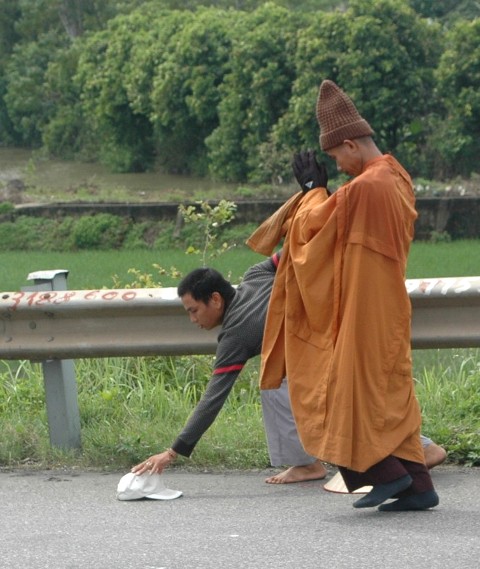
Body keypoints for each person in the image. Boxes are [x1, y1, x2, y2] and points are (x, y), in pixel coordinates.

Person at [247, 79, 439, 511]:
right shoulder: (397, 176)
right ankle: (419, 486)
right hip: (388, 306)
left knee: (341, 391)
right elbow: (343, 223)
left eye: (336, 157)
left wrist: (313, 190)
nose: (338, 165)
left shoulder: (366, 187)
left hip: (362, 310)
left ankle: (384, 475)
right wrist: (323, 194)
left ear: (350, 144)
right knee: (388, 397)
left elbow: (313, 229)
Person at [131, 254, 445, 484]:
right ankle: (421, 448)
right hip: (353, 328)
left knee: (276, 383)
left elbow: (212, 399)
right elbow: (299, 248)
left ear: (215, 299)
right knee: (347, 398)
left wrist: (172, 452)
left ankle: (308, 464)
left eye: (194, 310)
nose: (193, 320)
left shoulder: (235, 335)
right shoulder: (256, 273)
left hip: (334, 353)